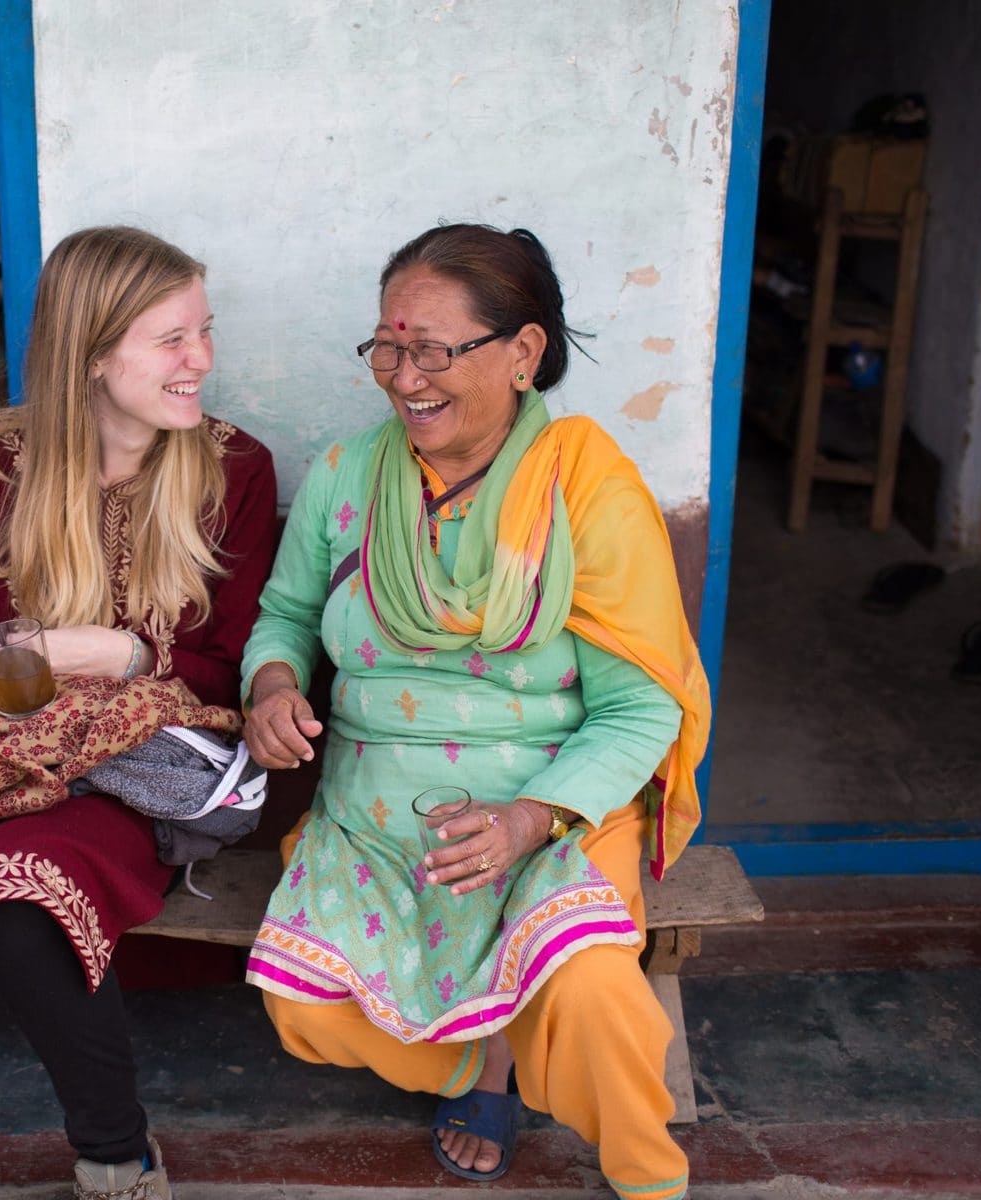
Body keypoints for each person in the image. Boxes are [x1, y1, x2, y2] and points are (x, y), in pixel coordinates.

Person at [239, 223, 710, 1200]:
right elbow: (283, 616)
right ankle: (481, 1060)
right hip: (376, 818)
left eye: (432, 350)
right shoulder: (344, 477)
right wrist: (274, 686)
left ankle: (650, 1177)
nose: (402, 376)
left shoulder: (586, 486)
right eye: (387, 347)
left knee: (591, 998)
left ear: (523, 353)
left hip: (546, 808)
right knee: (304, 1009)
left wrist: (527, 818)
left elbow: (636, 710)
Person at [0, 225, 278, 1200]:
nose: (201, 360)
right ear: (92, 352)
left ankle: (116, 1157)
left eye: (205, 331)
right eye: (172, 339)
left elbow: (229, 676)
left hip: (121, 764)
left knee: (23, 891)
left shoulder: (233, 469)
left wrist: (111, 653)